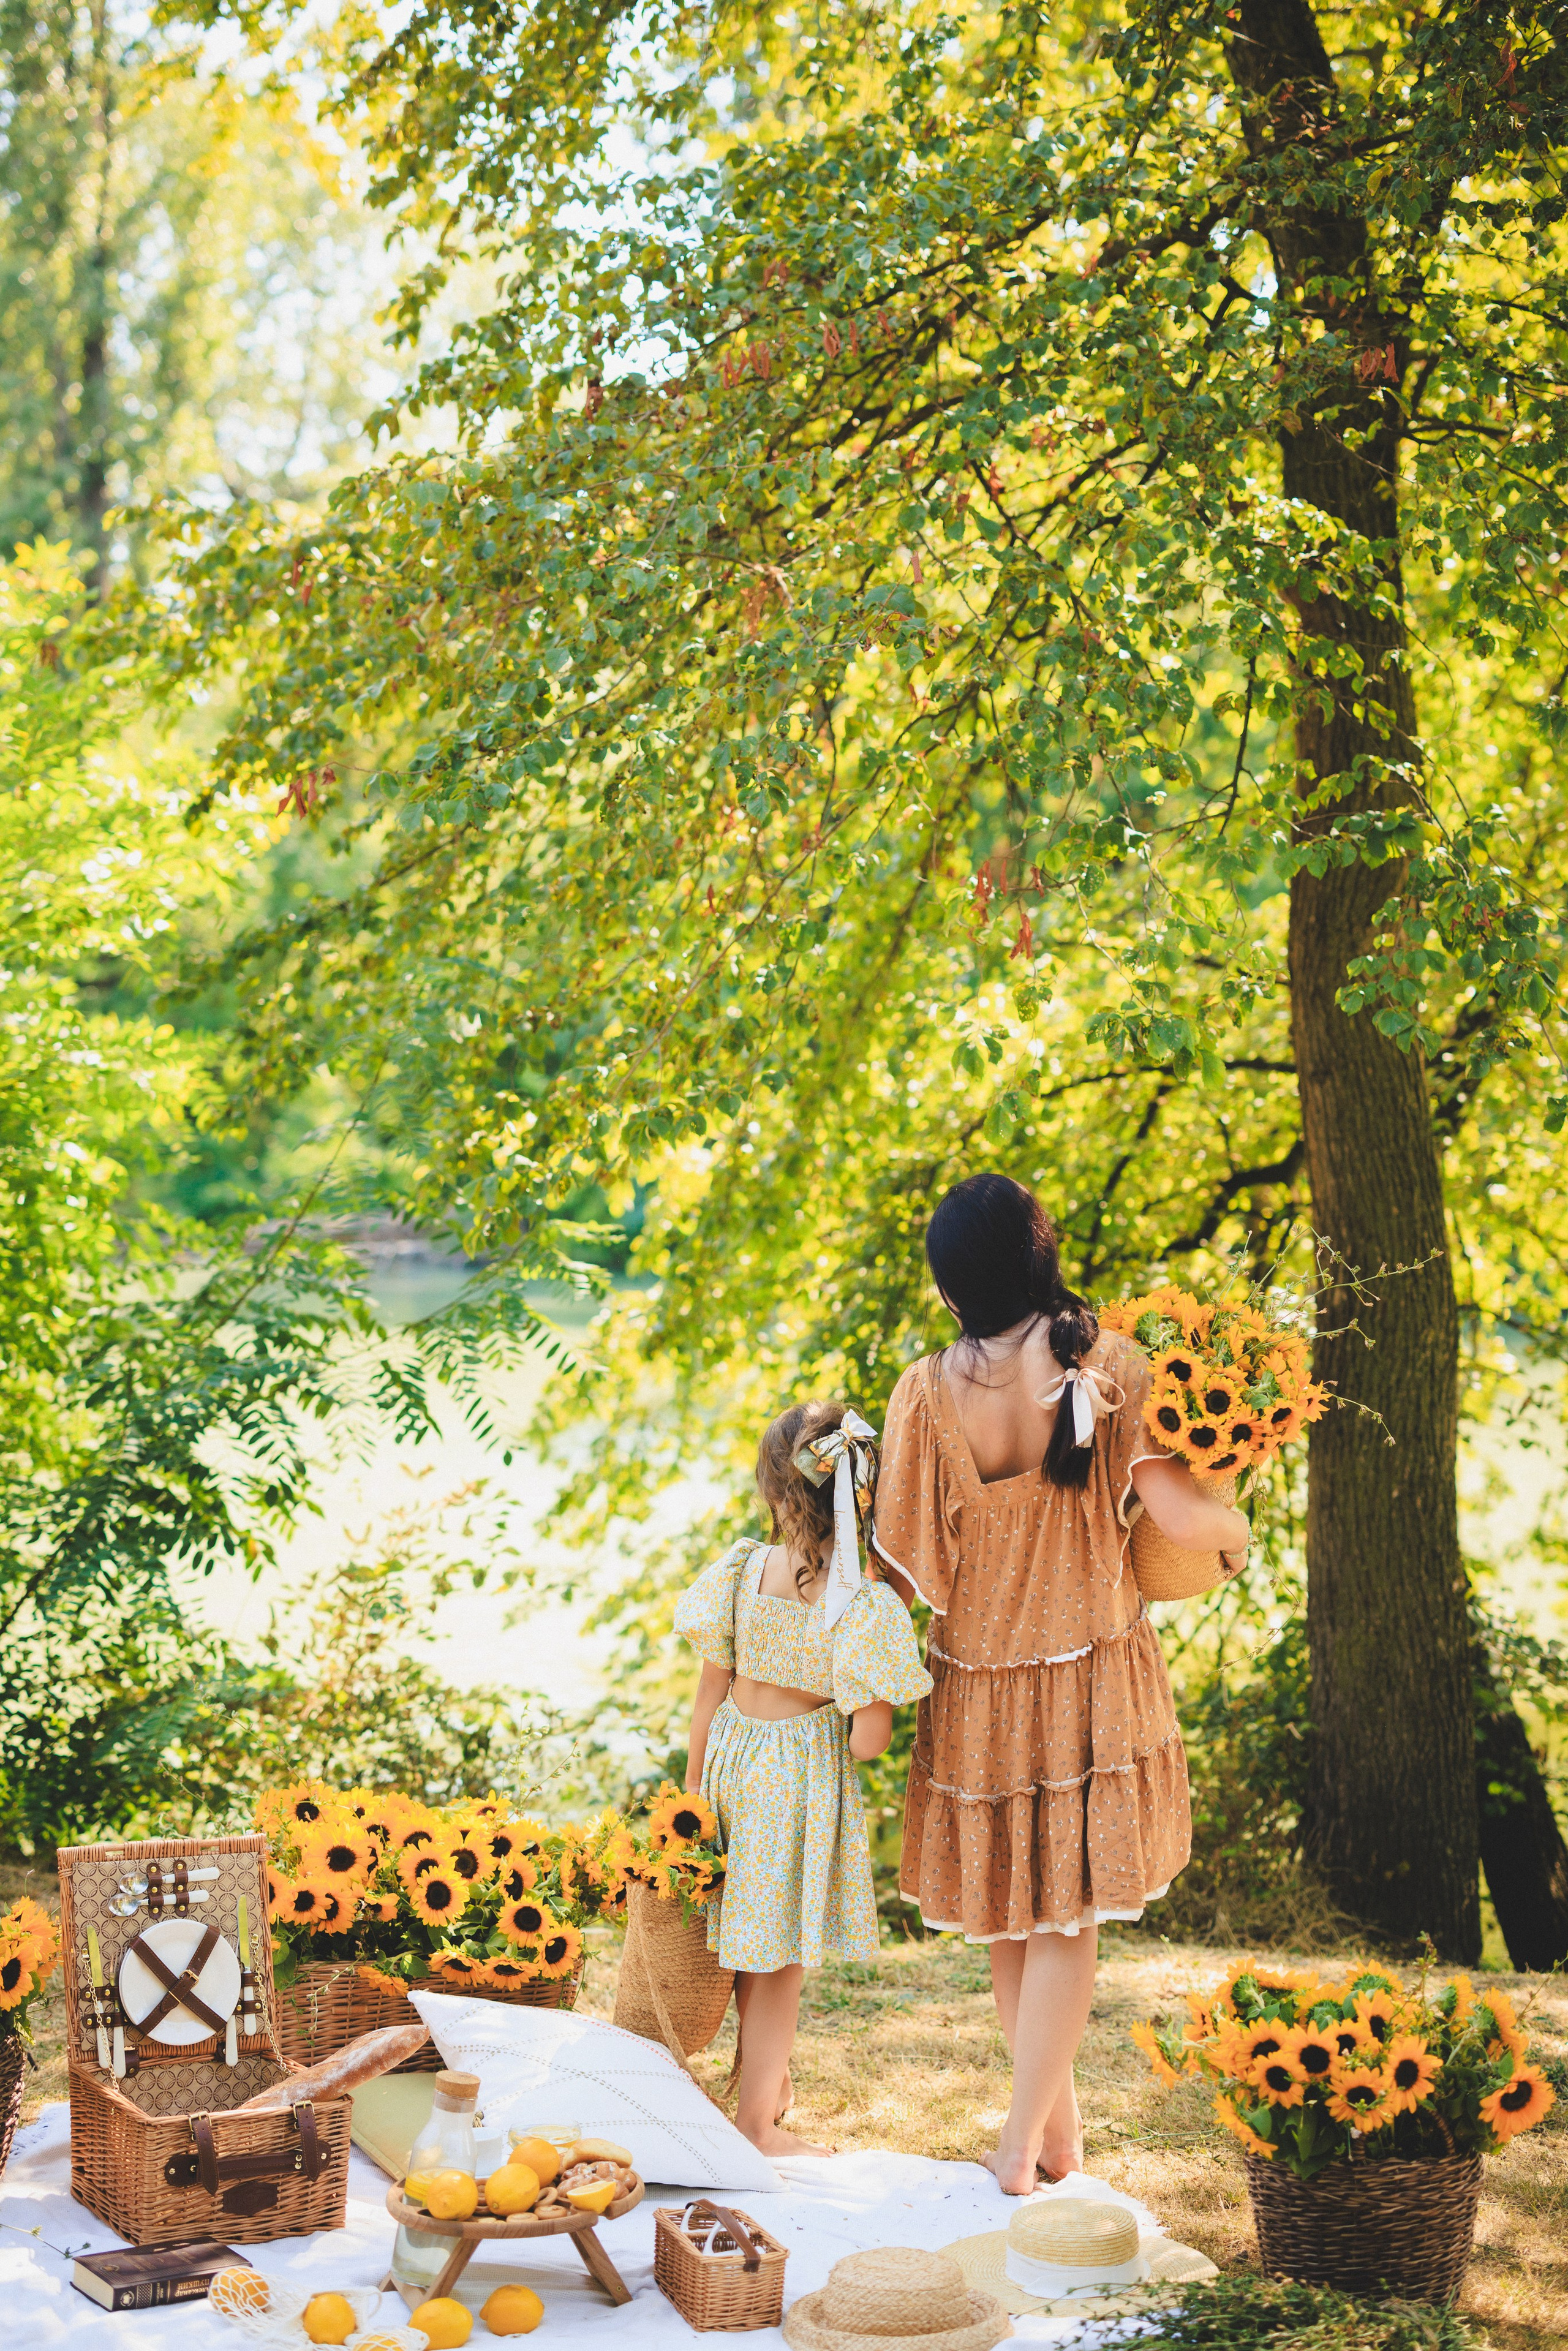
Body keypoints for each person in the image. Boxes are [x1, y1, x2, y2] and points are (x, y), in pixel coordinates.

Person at [872, 1174, 1248, 2195]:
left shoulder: (924, 1389)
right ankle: (1019, 2140)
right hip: (1087, 1674)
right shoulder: (1109, 1363)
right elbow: (1178, 1517)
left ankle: (1055, 2138)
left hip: (978, 1684)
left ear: (952, 1289)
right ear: (1044, 1256)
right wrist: (1238, 1533)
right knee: (1064, 1916)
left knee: (1011, 1911)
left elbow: (899, 1565)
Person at [676, 1399, 932, 2156]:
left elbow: (707, 1690)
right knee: (778, 1955)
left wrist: (694, 1789)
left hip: (729, 1762)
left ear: (775, 1493)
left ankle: (766, 2085)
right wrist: (854, 1699)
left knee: (750, 1938)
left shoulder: (744, 1566)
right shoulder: (864, 1604)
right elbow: (869, 1741)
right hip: (794, 1786)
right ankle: (755, 2124)